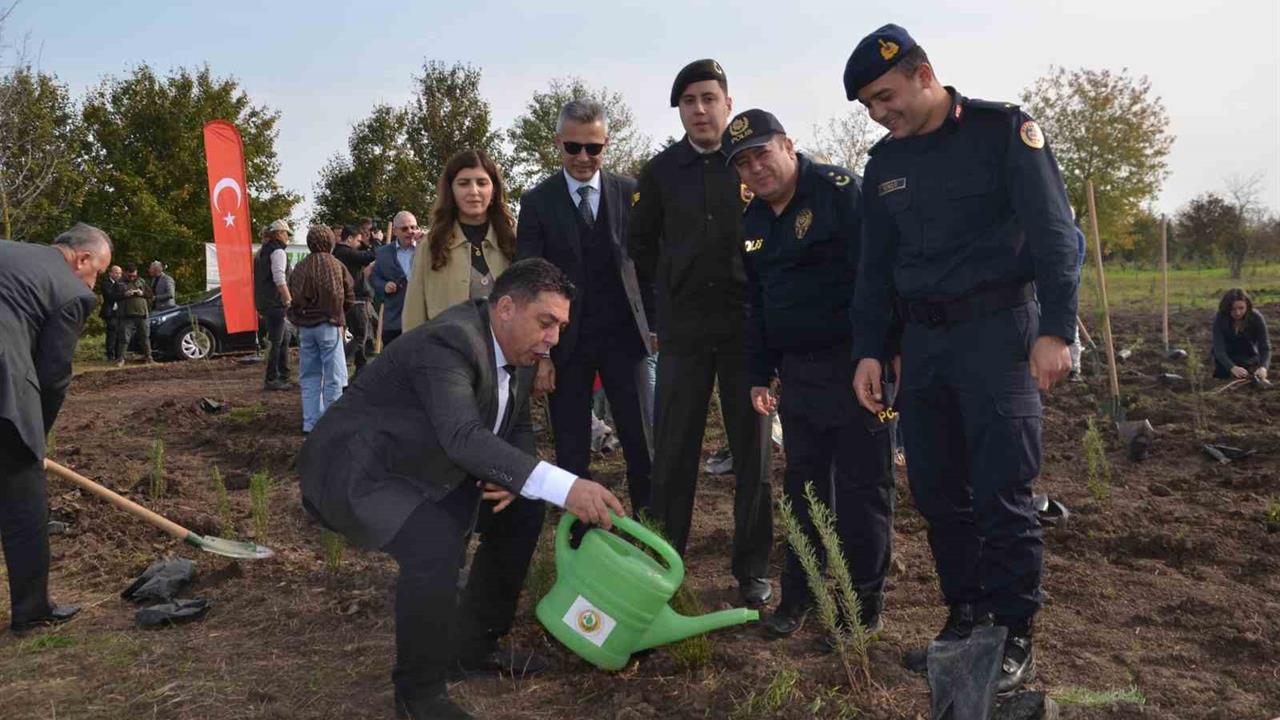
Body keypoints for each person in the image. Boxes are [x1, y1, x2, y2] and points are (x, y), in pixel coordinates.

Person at [846, 25, 1079, 693]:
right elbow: (875, 271)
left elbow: (1055, 234)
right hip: (922, 346)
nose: (878, 113)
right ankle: (966, 617)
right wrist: (870, 348)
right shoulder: (883, 165)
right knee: (939, 491)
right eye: (867, 105)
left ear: (924, 74)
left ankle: (1013, 634)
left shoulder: (1002, 132)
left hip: (998, 335)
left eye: (885, 97)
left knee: (1003, 490)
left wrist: (1056, 330)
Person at [299, 259, 625, 720]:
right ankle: (420, 695)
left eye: (561, 326)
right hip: (361, 472)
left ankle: (472, 647)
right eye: (546, 322)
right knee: (434, 545)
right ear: (507, 307)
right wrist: (565, 486)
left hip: (429, 468)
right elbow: (464, 437)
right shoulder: (451, 340)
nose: (553, 338)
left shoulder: (523, 350)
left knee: (523, 510)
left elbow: (518, 429)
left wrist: (518, 481)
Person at [727, 109, 894, 637]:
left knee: (864, 489)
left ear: (788, 145)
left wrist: (880, 352)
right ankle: (799, 595)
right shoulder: (752, 221)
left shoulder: (840, 192)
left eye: (762, 153)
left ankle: (860, 607)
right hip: (798, 375)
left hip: (857, 368)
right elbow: (757, 304)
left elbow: (880, 275)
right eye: (743, 163)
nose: (755, 168)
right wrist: (759, 373)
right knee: (803, 490)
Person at [627, 59, 773, 606]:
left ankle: (753, 570)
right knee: (674, 452)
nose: (700, 109)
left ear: (728, 104)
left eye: (709, 97)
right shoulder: (661, 172)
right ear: (681, 111)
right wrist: (658, 316)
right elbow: (639, 251)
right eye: (689, 100)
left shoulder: (751, 165)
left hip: (745, 330)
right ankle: (664, 562)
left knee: (753, 454)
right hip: (684, 332)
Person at [516, 100, 655, 513]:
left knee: (642, 447)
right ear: (558, 143)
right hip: (566, 349)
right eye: (573, 147)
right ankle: (579, 537)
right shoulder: (538, 201)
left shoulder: (630, 193)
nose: (582, 157)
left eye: (592, 148)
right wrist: (542, 355)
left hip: (625, 343)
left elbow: (648, 265)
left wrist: (656, 325)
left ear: (605, 144)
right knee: (572, 453)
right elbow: (530, 281)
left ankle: (650, 533)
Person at [0, 223, 111, 633]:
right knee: (23, 504)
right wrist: (35, 439)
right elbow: (52, 377)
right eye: (98, 271)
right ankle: (32, 611)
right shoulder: (72, 291)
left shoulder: (9, 251)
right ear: (82, 259)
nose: (94, 281)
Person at [403, 149, 517, 330]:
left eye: (482, 182)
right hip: (445, 353)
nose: (474, 191)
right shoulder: (431, 243)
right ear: (451, 190)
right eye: (463, 183)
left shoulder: (515, 236)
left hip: (510, 353)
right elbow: (414, 309)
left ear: (494, 189)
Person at [288, 226, 355, 434]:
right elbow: (349, 294)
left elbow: (293, 295)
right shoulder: (336, 265)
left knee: (309, 376)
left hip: (306, 327)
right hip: (330, 324)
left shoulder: (300, 267)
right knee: (334, 377)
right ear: (330, 242)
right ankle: (329, 424)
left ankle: (310, 423)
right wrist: (340, 314)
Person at [254, 219, 293, 390]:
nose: (287, 237)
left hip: (265, 302)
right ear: (278, 234)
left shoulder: (261, 252)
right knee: (276, 341)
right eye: (286, 233)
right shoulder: (278, 252)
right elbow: (279, 278)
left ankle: (284, 374)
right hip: (276, 303)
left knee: (283, 338)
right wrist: (288, 299)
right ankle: (271, 379)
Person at [371, 211, 419, 347]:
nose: (410, 231)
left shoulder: (426, 248)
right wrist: (384, 285)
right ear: (395, 231)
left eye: (414, 227)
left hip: (420, 319)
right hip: (394, 320)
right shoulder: (383, 253)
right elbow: (374, 277)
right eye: (405, 228)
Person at [333, 225, 376, 375]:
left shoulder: (339, 252)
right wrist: (374, 241)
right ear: (349, 239)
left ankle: (361, 365)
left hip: (351, 299)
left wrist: (364, 241)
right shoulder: (345, 253)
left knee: (359, 333)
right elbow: (371, 256)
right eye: (357, 240)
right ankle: (340, 360)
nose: (359, 243)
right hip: (356, 299)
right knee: (360, 335)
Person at [1211, 288, 1270, 382]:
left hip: (1248, 355)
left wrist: (1263, 367)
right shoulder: (1221, 318)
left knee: (1254, 375)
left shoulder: (1256, 318)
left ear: (1247, 306)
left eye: (1241, 308)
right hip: (1226, 355)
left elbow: (1264, 347)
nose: (1238, 313)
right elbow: (1218, 348)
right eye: (1233, 309)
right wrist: (1232, 367)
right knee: (1222, 375)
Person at [115, 263, 154, 366]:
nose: (132, 277)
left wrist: (142, 293)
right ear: (125, 273)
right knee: (124, 338)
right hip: (126, 315)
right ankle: (121, 359)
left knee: (145, 337)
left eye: (134, 275)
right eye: (130, 275)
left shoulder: (142, 281)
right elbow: (112, 297)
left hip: (142, 314)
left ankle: (149, 357)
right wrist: (124, 294)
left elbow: (150, 294)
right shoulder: (119, 283)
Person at [100, 265, 125, 361]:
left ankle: (119, 354)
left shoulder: (122, 283)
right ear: (110, 273)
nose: (118, 275)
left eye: (120, 273)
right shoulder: (106, 283)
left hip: (120, 312)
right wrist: (123, 294)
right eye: (116, 272)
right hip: (110, 312)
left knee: (120, 333)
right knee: (112, 333)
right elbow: (109, 296)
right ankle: (110, 355)